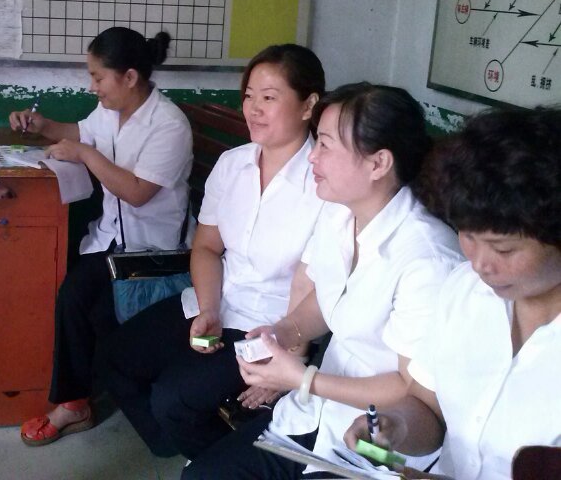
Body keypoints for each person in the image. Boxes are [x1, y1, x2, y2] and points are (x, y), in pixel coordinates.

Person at [182, 82, 465, 479]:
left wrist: (303, 378)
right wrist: (284, 331)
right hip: (312, 416)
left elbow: (414, 392)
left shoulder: (428, 260)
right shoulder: (340, 213)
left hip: (377, 447)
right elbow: (325, 297)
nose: (313, 155)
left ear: (378, 164)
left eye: (327, 145)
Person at [102, 44, 326, 459]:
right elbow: (207, 246)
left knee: (173, 398)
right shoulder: (233, 164)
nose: (253, 109)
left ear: (308, 105)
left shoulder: (324, 182)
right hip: (218, 301)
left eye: (269, 97)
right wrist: (208, 310)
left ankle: (212, 462)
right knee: (117, 357)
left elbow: (321, 287)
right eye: (249, 95)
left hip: (269, 329)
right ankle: (191, 453)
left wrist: (290, 364)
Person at [343, 106, 561, 480]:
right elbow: (428, 407)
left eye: (504, 249)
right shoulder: (464, 290)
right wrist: (397, 427)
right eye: (468, 236)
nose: (480, 263)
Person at [10, 26, 193, 446]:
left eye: (98, 77)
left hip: (152, 252)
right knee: (74, 297)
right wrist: (42, 126)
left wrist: (86, 155)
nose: (92, 86)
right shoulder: (111, 109)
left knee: (86, 304)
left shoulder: (168, 125)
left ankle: (113, 401)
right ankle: (75, 402)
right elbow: (81, 132)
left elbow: (138, 192)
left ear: (129, 77)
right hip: (113, 241)